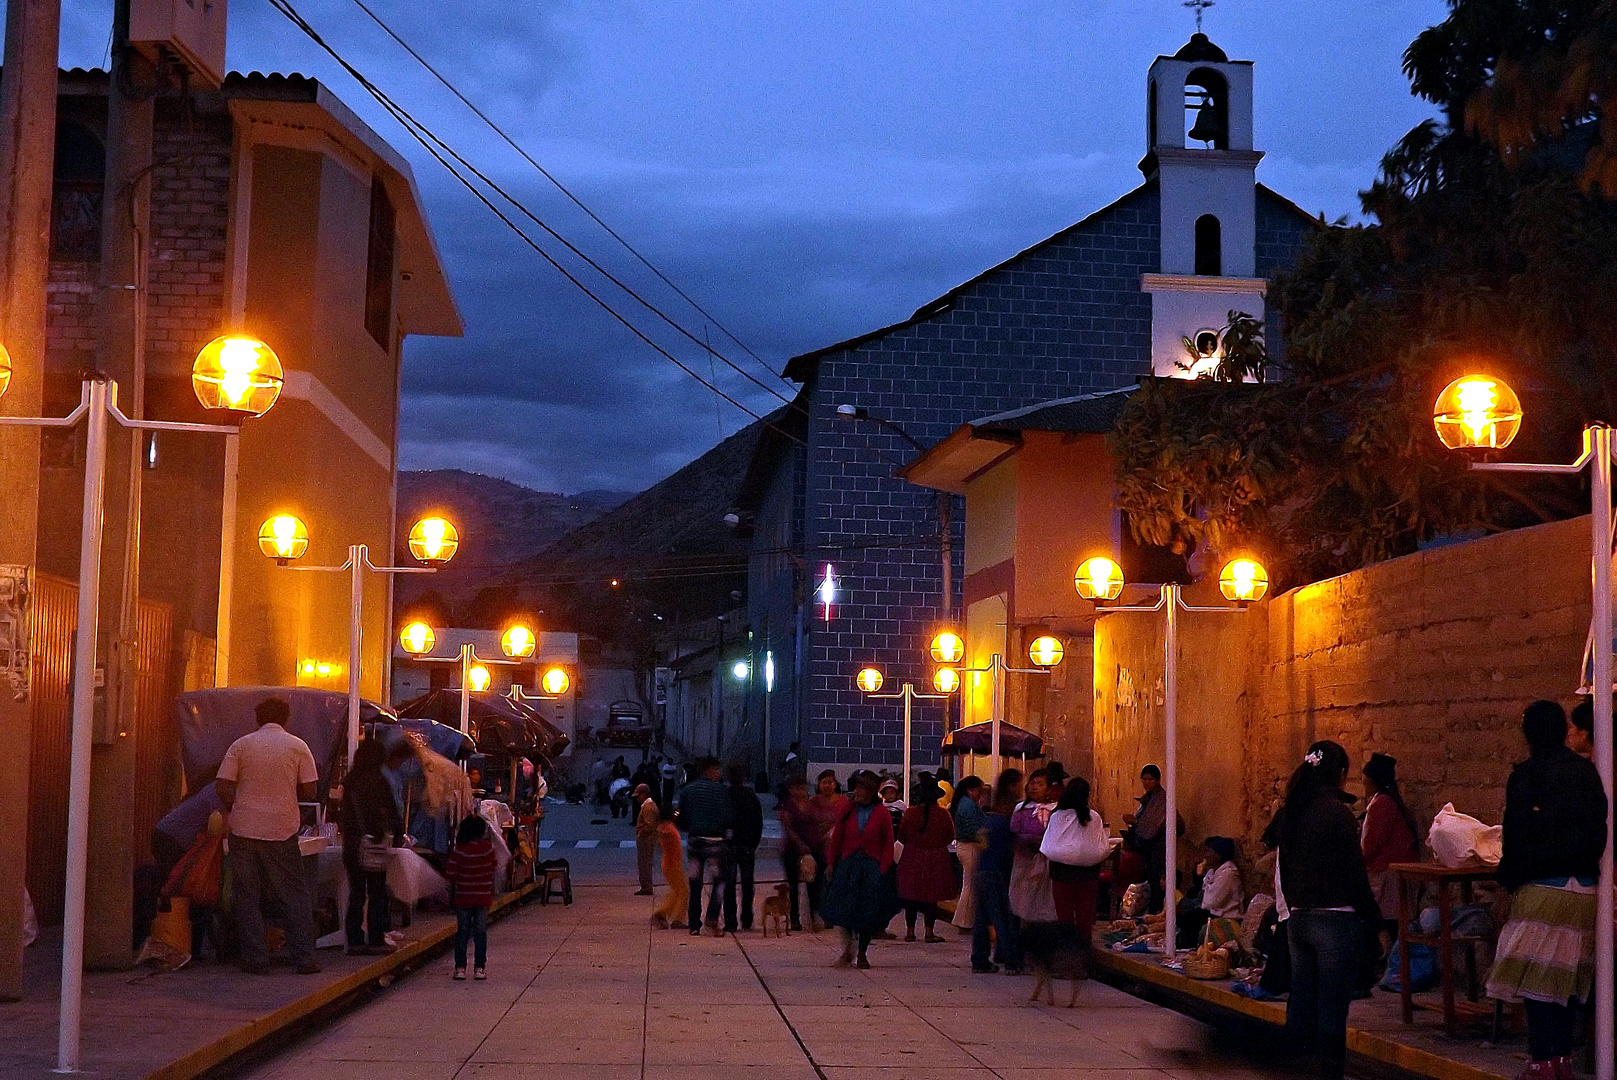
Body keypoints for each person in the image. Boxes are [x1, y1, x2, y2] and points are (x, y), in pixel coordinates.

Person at [1486, 700, 1608, 1080]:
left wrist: (1505, 886)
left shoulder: (1527, 776)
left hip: (1541, 890)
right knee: (1564, 980)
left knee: (1536, 984)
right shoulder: (1587, 774)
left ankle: (1540, 1063)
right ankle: (1561, 1062)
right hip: (1585, 891)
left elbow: (1517, 838)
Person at [1277, 740, 1380, 1080]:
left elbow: (1284, 866)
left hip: (1299, 919)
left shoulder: (1293, 809)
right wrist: (1376, 922)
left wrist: (1292, 905)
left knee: (1302, 1001)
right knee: (1331, 1010)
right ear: (1339, 774)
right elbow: (1354, 873)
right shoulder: (1337, 813)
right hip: (1334, 920)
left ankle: (1295, 1070)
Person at [216, 696, 321, 975]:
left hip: (244, 828)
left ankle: (255, 958)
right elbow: (310, 790)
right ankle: (304, 958)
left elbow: (223, 784)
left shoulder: (241, 745)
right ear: (286, 719)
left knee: (247, 895)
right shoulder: (298, 747)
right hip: (282, 830)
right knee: (294, 895)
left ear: (257, 718)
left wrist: (236, 806)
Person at [820, 771, 898, 968]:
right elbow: (837, 837)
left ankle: (862, 952)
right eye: (857, 788)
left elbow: (888, 842)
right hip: (850, 864)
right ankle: (847, 948)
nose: (857, 792)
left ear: (871, 792)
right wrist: (830, 862)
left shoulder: (881, 813)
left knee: (867, 911)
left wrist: (883, 868)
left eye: (862, 788)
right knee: (845, 909)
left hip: (871, 866)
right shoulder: (848, 810)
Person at [341, 737, 404, 955]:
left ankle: (355, 940)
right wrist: (396, 836)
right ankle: (376, 938)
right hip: (375, 843)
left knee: (356, 893)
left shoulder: (350, 782)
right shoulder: (379, 780)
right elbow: (392, 812)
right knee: (377, 892)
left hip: (353, 844)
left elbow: (345, 816)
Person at [1360, 752, 1419, 946]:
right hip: (1394, 873)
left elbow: (1371, 845)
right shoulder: (1388, 801)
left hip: (1388, 875)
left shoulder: (1382, 804)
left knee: (1388, 925)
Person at [1046, 777, 1105, 960]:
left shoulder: (1057, 817)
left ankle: (1066, 959)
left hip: (1062, 875)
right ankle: (1083, 960)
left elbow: (1050, 843)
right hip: (1088, 875)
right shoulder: (1094, 817)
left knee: (1064, 919)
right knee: (1084, 920)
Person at [972, 768, 1024, 975]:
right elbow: (1014, 847)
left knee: (982, 918)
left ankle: (980, 959)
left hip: (983, 870)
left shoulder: (989, 817)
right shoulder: (1006, 819)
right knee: (1003, 916)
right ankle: (1011, 960)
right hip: (997, 872)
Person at [679, 757, 733, 935]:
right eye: (717, 770)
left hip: (695, 841)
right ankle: (711, 920)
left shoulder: (687, 790)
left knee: (695, 883)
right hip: (715, 843)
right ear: (709, 770)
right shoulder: (721, 791)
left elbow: (682, 816)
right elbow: (727, 816)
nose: (720, 773)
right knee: (719, 882)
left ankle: (694, 924)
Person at [896, 779, 955, 942]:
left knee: (911, 895)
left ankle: (910, 931)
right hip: (936, 858)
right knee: (931, 896)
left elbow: (901, 836)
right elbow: (950, 836)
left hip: (912, 856)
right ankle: (929, 932)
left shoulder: (910, 813)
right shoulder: (943, 814)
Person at [445, 813, 497, 980]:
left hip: (463, 898)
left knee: (462, 933)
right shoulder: (488, 848)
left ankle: (460, 968)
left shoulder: (459, 850)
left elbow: (451, 873)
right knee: (480, 933)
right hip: (483, 898)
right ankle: (479, 968)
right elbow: (493, 867)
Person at [1009, 767, 1058, 923]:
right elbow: (1014, 832)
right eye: (1032, 783)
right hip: (1024, 860)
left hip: (1047, 861)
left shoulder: (1056, 810)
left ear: (1049, 788)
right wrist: (1030, 840)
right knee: (1023, 896)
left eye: (1040, 784)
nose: (1035, 787)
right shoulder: (1021, 809)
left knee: (1044, 897)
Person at [1179, 836, 1243, 949]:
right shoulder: (1212, 871)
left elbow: (1211, 902)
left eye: (1209, 851)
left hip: (1224, 916)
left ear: (1219, 855)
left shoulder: (1228, 874)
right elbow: (1202, 892)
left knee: (1191, 919)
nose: (1205, 855)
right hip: (1211, 911)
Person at [778, 776, 823, 932]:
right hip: (792, 850)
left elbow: (817, 823)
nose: (800, 791)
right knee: (793, 885)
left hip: (812, 849)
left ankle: (814, 916)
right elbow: (787, 828)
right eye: (797, 788)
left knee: (814, 884)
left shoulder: (812, 804)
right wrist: (800, 844)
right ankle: (795, 918)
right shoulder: (788, 806)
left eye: (803, 788)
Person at [1123, 764, 1169, 914]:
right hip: (1148, 847)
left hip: (1158, 847)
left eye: (1150, 779)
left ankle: (1156, 912)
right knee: (1150, 880)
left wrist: (1136, 822)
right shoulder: (1148, 798)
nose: (1147, 783)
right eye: (1144, 780)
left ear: (1157, 780)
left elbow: (1153, 823)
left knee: (1157, 881)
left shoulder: (1161, 799)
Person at [724, 766, 764, 932]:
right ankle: (747, 918)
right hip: (747, 844)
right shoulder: (750, 796)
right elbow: (758, 821)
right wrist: (754, 843)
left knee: (729, 884)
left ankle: (730, 921)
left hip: (730, 844)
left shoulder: (725, 795)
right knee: (747, 883)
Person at [950, 776, 989, 932]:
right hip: (970, 847)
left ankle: (965, 920)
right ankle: (964, 921)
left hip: (964, 846)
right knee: (970, 886)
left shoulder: (964, 804)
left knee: (969, 885)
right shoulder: (968, 807)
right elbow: (974, 830)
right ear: (971, 790)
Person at [651, 804, 689, 929]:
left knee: (678, 891)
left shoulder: (666, 826)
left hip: (672, 864)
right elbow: (662, 833)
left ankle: (665, 914)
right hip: (672, 865)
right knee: (683, 892)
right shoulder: (666, 827)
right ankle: (673, 917)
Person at [633, 783, 659, 895]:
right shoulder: (649, 806)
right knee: (645, 863)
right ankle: (646, 886)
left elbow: (649, 825)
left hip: (646, 840)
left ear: (644, 794)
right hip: (647, 839)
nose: (637, 798)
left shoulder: (648, 807)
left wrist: (640, 833)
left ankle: (646, 886)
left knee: (644, 863)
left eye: (639, 795)